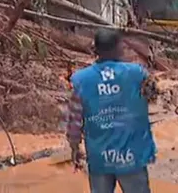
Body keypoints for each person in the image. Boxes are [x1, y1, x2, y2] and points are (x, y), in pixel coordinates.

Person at [65, 29, 157, 193]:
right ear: (118, 47)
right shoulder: (137, 73)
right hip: (132, 156)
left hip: (100, 157)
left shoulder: (82, 80)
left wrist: (74, 147)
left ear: (96, 50)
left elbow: (75, 118)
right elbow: (153, 95)